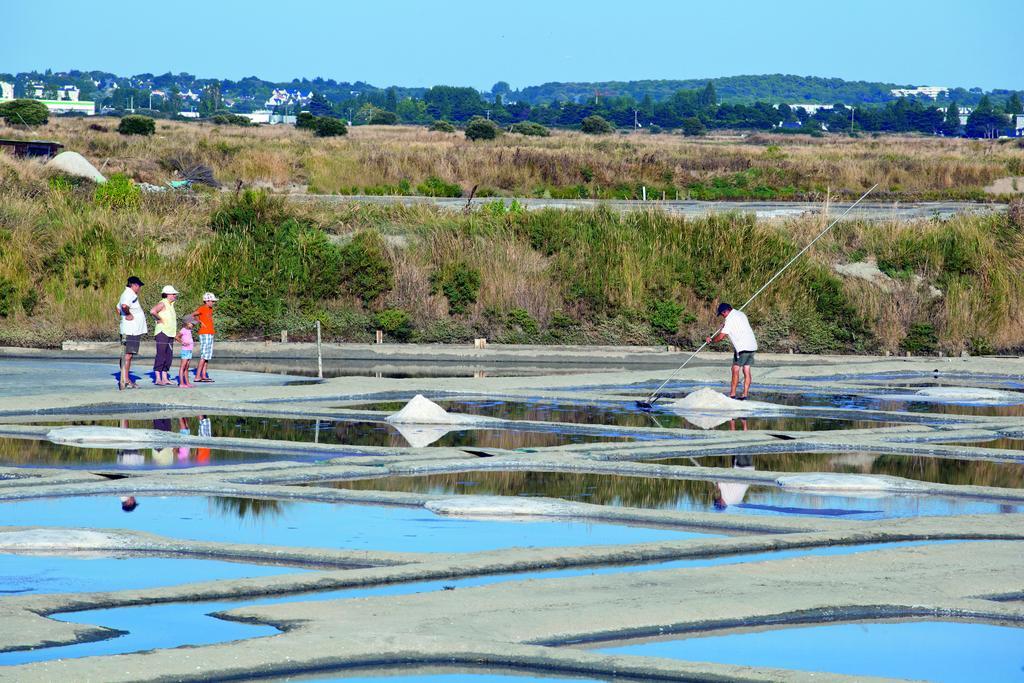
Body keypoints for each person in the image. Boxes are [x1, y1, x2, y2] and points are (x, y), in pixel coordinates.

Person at [706, 302, 758, 400]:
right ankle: (745, 394)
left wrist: (711, 341)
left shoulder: (729, 319)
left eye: (722, 314)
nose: (722, 316)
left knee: (735, 369)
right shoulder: (741, 314)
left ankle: (732, 395)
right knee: (746, 369)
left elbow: (721, 337)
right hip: (752, 345)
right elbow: (737, 325)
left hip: (742, 347)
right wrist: (725, 325)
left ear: (726, 311)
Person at [116, 276, 147, 390]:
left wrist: (124, 316)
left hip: (132, 329)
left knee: (127, 355)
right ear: (133, 285)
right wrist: (128, 315)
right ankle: (126, 380)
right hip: (131, 330)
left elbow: (118, 308)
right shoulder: (128, 294)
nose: (139, 288)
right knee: (127, 355)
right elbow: (123, 307)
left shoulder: (129, 294)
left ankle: (125, 378)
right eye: (138, 286)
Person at [150, 285, 179, 386]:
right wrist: (159, 319)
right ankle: (158, 378)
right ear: (167, 294)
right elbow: (153, 311)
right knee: (161, 354)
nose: (175, 295)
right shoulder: (162, 303)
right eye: (173, 294)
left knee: (168, 356)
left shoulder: (171, 305)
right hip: (162, 332)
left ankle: (165, 378)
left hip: (170, 333)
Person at [192, 292, 218, 383]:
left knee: (207, 356)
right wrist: (199, 322)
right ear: (207, 301)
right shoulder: (202, 308)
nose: (213, 303)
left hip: (210, 333)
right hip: (204, 333)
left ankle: (203, 375)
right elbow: (193, 314)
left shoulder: (210, 309)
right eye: (212, 301)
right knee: (204, 355)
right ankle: (197, 376)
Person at [175, 315, 197, 387]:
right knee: (183, 367)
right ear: (187, 323)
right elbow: (177, 337)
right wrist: (182, 342)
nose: (193, 325)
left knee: (187, 367)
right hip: (185, 351)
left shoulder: (189, 330)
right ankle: (181, 383)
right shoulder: (183, 330)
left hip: (189, 351)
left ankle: (187, 382)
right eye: (192, 323)